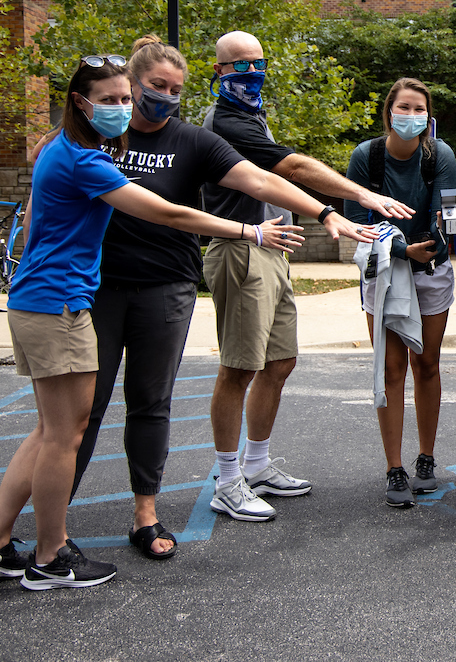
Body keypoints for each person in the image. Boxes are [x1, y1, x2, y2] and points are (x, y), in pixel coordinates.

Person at [57, 35, 374, 560]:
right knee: (82, 412)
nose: (164, 97)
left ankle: (147, 514)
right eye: (154, 87)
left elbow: (261, 180)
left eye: (174, 89)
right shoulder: (94, 140)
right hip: (100, 285)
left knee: (153, 404)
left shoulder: (193, 140)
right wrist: (254, 231)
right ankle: (54, 527)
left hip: (169, 284)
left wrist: (326, 212)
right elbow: (166, 210)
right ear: (127, 86)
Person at [0, 56, 301, 590]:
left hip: (44, 298)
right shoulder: (84, 161)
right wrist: (249, 232)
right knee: (64, 435)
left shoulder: (68, 148)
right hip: (60, 303)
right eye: (111, 99)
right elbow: (169, 212)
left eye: (124, 98)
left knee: (52, 430)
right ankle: (50, 557)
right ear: (80, 103)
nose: (121, 108)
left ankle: (3, 542)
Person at [200, 30, 412, 522]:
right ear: (218, 71)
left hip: (272, 252)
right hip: (241, 250)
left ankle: (256, 466)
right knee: (239, 369)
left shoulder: (251, 113)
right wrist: (356, 196)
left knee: (280, 363)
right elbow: (291, 167)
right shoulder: (226, 121)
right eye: (240, 65)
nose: (252, 73)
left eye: (258, 63)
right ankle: (227, 480)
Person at [344, 77, 456, 507]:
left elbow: (445, 214)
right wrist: (399, 249)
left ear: (428, 117)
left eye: (419, 109)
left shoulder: (439, 155)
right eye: (404, 107)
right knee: (391, 370)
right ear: (389, 112)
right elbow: (356, 220)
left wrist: (433, 242)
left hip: (429, 268)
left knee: (426, 364)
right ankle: (394, 467)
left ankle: (425, 459)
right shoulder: (367, 156)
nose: (411, 116)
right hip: (385, 270)